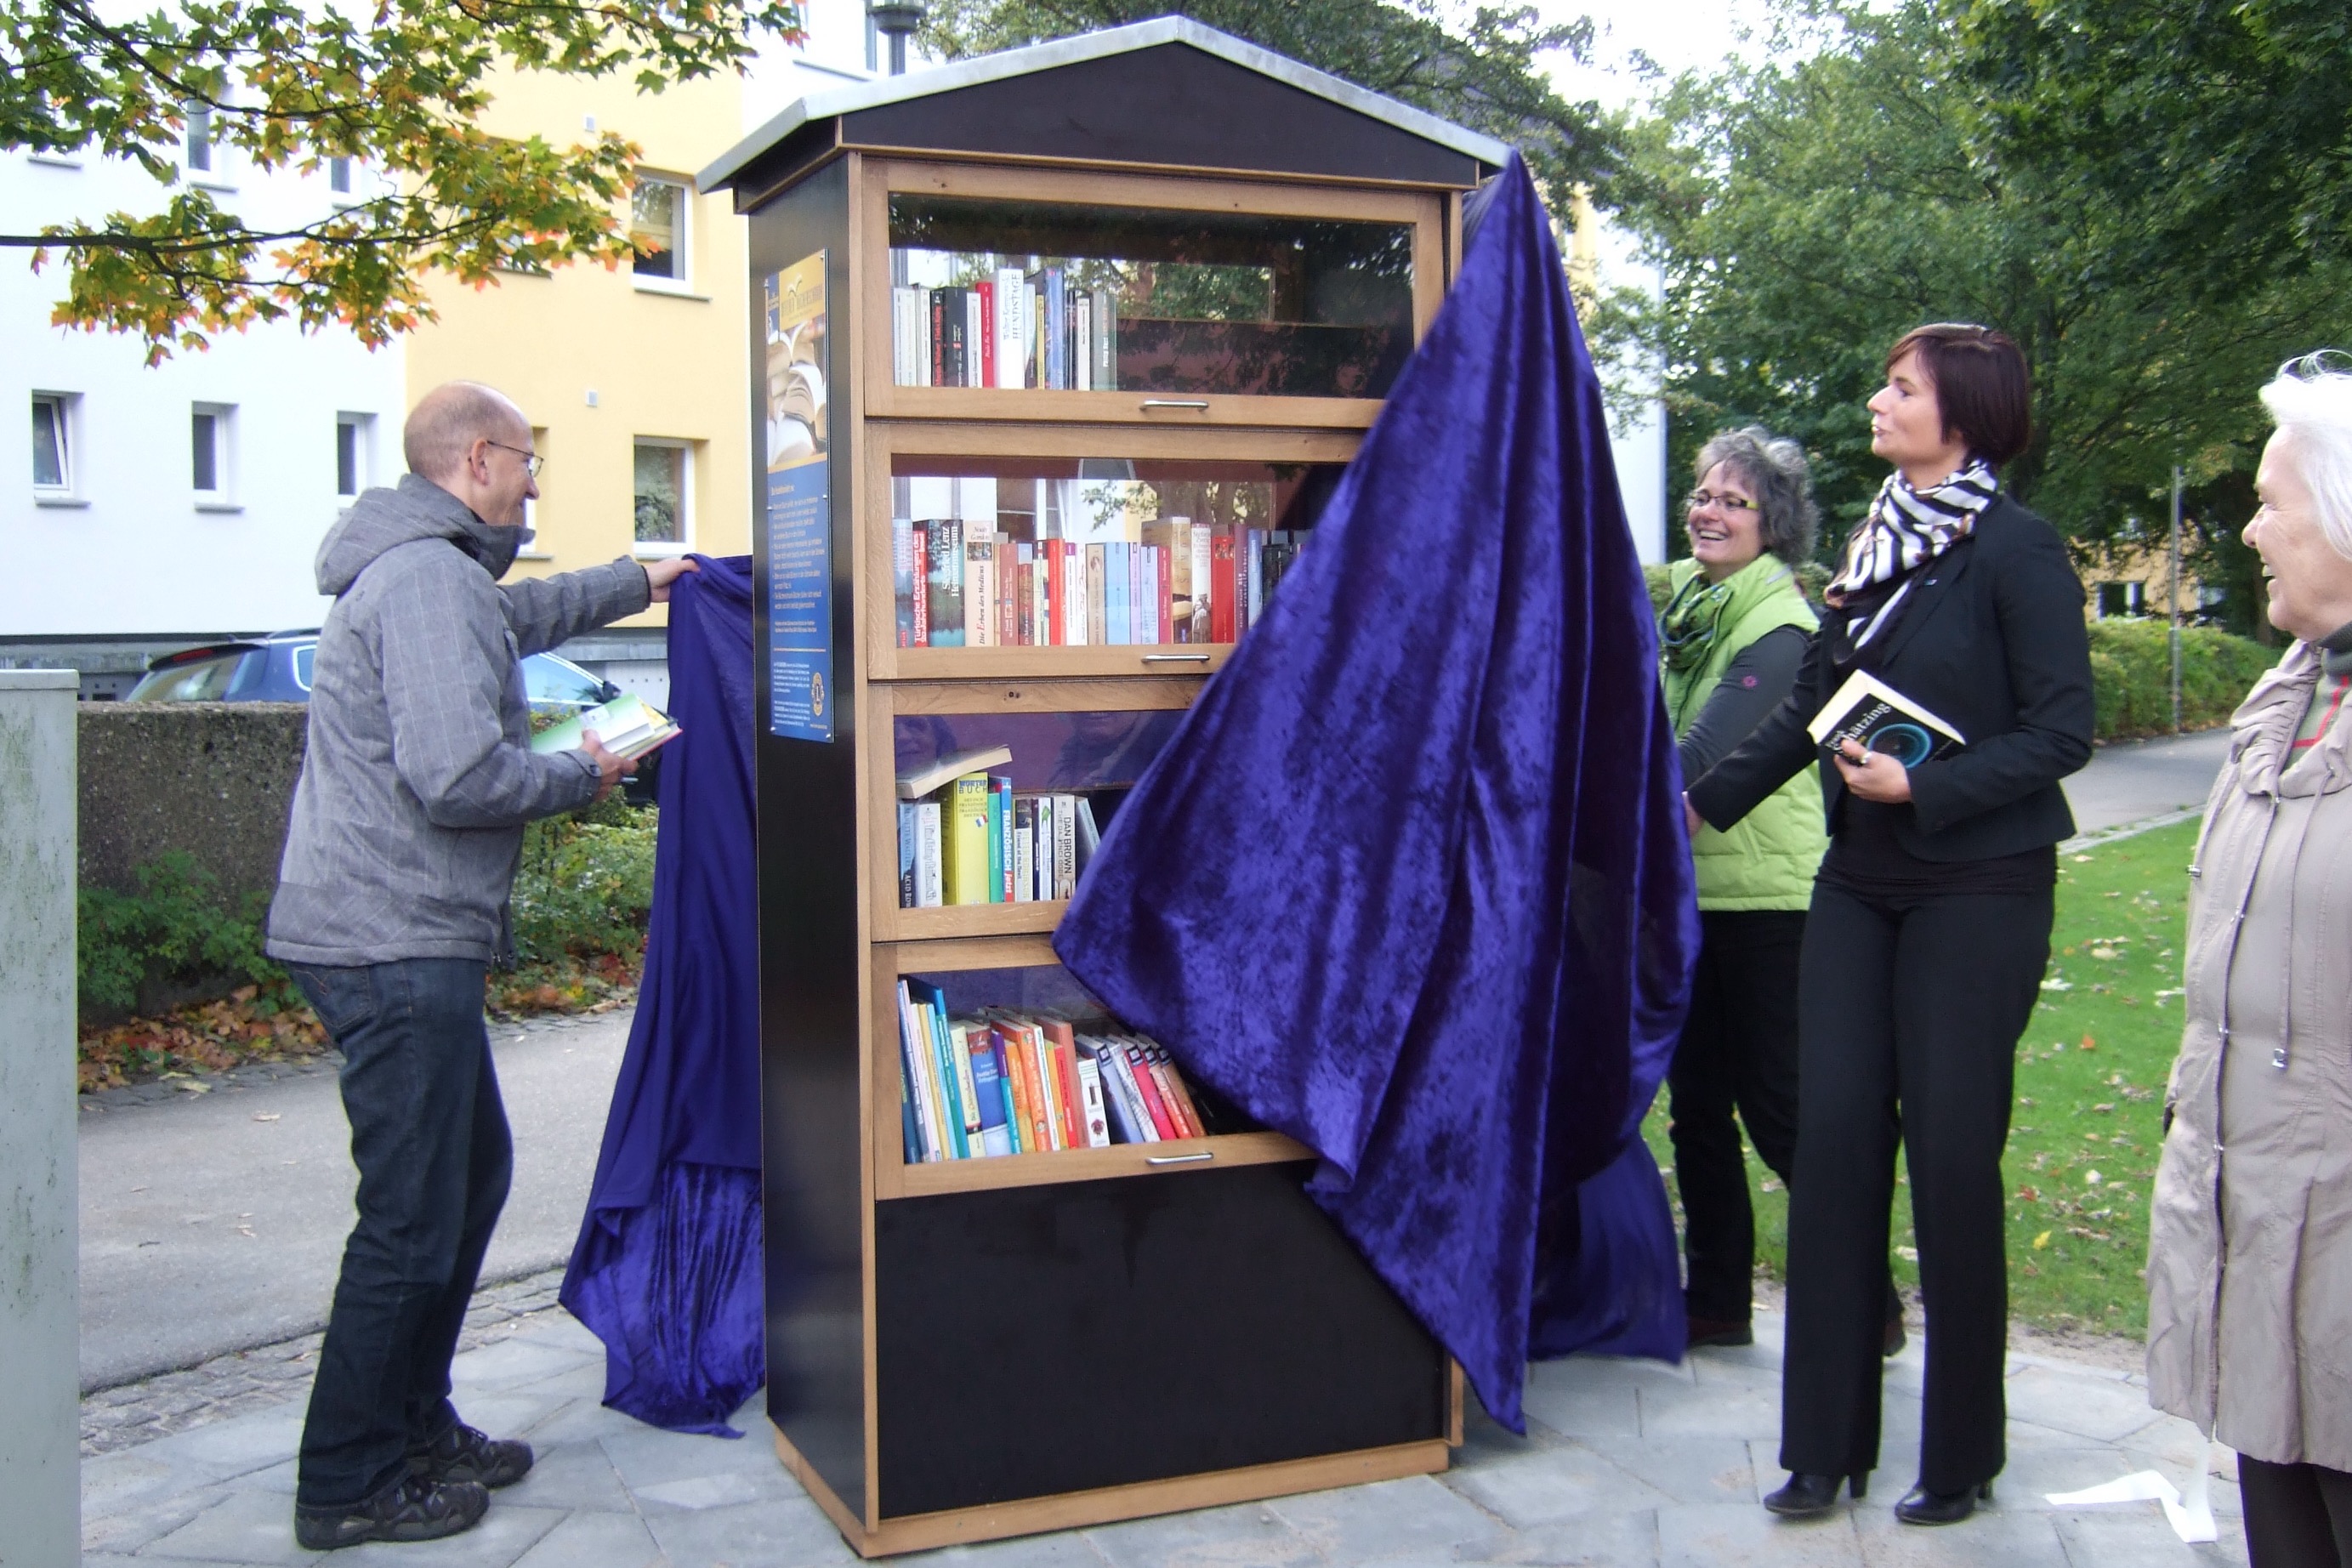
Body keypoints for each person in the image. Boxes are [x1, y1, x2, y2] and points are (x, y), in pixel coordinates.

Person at [266, 382, 699, 1549]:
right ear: (474, 461)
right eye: (525, 464)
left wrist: (637, 582)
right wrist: (589, 772)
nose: (534, 484)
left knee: (467, 1182)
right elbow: (457, 776)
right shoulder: (422, 579)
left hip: (396, 933)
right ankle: (349, 1480)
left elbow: (511, 621)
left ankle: (415, 1425)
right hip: (389, 938)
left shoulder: (435, 572)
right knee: (412, 1217)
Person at [1684, 324, 2094, 1525]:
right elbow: (1803, 713)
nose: (1876, 398)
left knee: (1953, 1162)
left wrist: (1926, 788)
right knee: (1834, 1153)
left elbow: (2059, 734)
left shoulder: (2016, 554)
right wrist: (1675, 817)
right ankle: (1822, 1448)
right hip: (1858, 888)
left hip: (1980, 888)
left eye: (1899, 387)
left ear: (1958, 416)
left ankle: (1958, 1455)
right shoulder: (1871, 550)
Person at [2147, 354, 2352, 1568]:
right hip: (2251, 1195)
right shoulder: (2286, 700)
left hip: (2337, 1211)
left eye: (2273, 502)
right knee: (2277, 1506)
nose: (2249, 526)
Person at [1656, 427, 1829, 1349]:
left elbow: (1698, 758)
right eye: (1703, 495)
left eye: (1734, 501)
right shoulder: (1691, 602)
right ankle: (1717, 1298)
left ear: (1775, 524)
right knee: (1695, 1106)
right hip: (1690, 897)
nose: (1709, 511)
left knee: (1780, 1107)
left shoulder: (1782, 626)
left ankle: (1862, 1298)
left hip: (1768, 901)